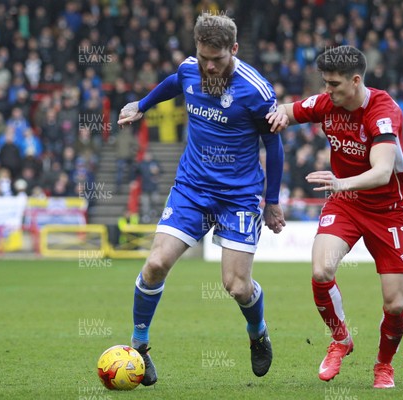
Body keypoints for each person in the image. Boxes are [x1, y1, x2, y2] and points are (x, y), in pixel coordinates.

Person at [117, 14, 287, 386]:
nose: (209, 66)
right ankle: (140, 348)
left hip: (239, 196)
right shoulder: (190, 70)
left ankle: (258, 333)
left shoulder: (256, 90)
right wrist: (142, 104)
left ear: (234, 50)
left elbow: (273, 144)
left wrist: (271, 201)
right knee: (156, 263)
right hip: (192, 188)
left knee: (237, 286)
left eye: (218, 59)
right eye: (203, 56)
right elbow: (175, 82)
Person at [267, 45, 403, 389]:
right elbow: (287, 111)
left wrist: (340, 181)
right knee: (321, 270)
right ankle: (341, 339)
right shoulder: (326, 103)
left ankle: (383, 366)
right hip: (346, 203)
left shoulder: (382, 110)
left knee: (395, 304)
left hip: (387, 210)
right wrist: (276, 117)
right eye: (324, 83)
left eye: (333, 84)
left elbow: (381, 171)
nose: (326, 91)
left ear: (355, 80)